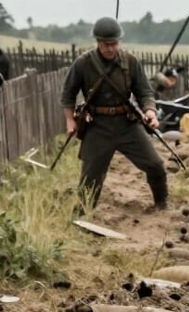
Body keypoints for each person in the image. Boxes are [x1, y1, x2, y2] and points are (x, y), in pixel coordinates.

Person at [60, 17, 167, 211]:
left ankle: (162, 205)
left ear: (119, 41)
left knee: (156, 165)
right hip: (98, 126)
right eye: (105, 44)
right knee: (90, 179)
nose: (109, 48)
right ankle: (84, 216)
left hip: (127, 124)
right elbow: (68, 94)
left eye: (113, 44)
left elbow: (145, 92)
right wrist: (70, 120)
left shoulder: (130, 62)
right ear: (97, 42)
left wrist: (150, 112)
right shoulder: (83, 64)